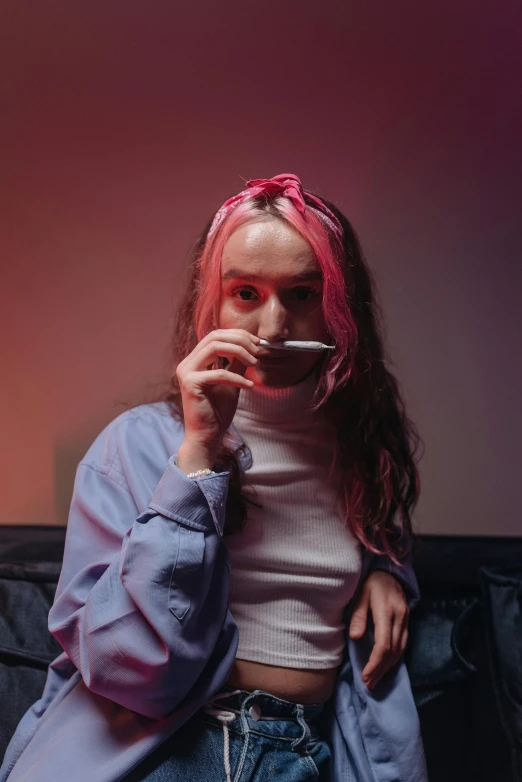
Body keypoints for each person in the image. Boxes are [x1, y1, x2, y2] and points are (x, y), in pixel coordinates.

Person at [0, 173, 428, 781]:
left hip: (302, 756)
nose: (273, 327)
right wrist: (198, 457)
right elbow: (128, 668)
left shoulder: (362, 455)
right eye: (246, 293)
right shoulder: (136, 445)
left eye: (303, 294)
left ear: (339, 309)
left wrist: (386, 569)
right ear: (213, 305)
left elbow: (358, 540)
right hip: (166, 748)